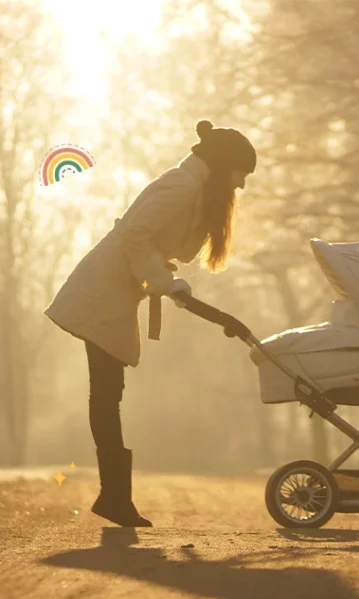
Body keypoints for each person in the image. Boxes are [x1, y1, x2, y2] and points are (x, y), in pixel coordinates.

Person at [45, 120, 257, 527]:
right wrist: (162, 280)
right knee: (106, 393)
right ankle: (114, 497)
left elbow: (146, 239)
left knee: (108, 393)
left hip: (115, 293)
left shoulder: (190, 188)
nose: (242, 184)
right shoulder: (181, 185)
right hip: (102, 293)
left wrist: (162, 274)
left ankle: (114, 497)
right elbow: (134, 234)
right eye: (240, 173)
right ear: (224, 165)